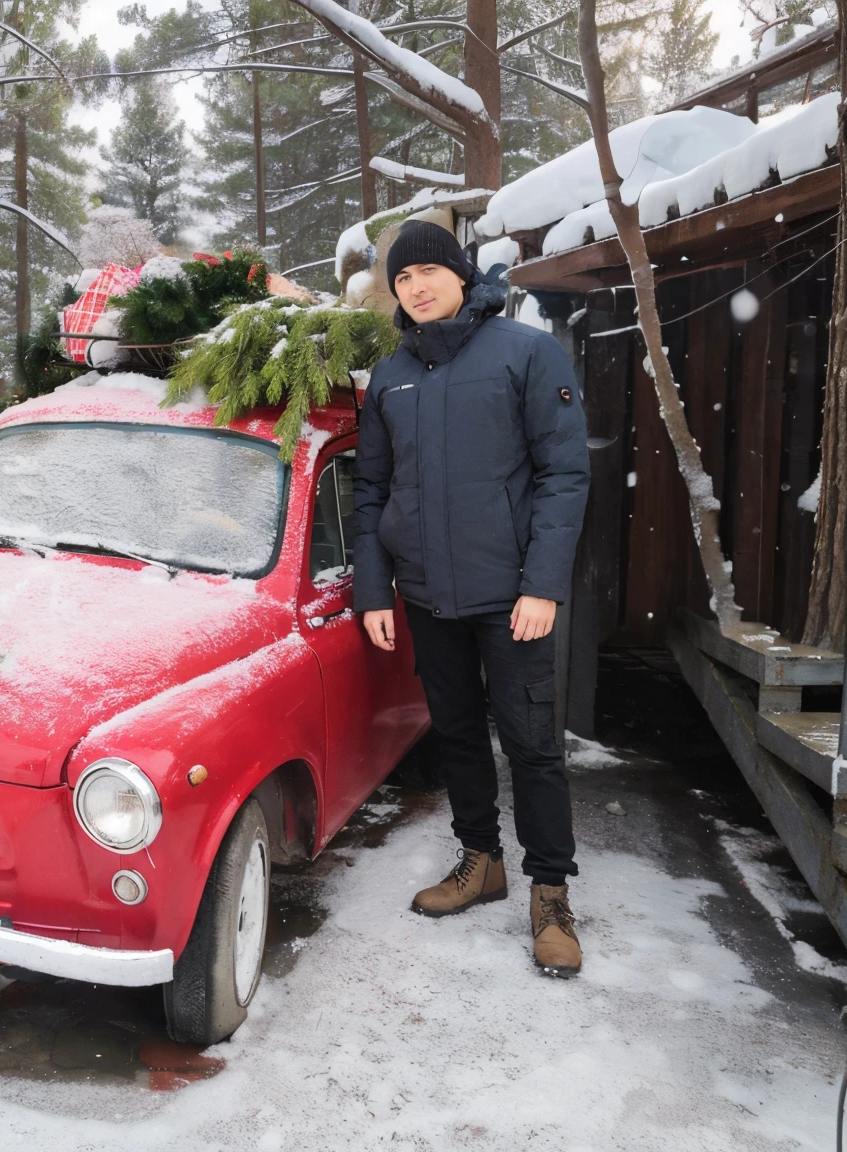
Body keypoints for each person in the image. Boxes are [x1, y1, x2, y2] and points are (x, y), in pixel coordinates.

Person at [352, 219, 590, 977]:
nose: (415, 288)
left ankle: (549, 892)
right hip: (425, 593)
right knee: (455, 732)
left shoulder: (525, 352)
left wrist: (543, 585)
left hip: (511, 597)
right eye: (401, 280)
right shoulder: (393, 374)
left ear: (460, 275)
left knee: (531, 745)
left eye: (427, 272)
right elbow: (372, 490)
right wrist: (374, 588)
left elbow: (563, 475)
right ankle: (480, 861)